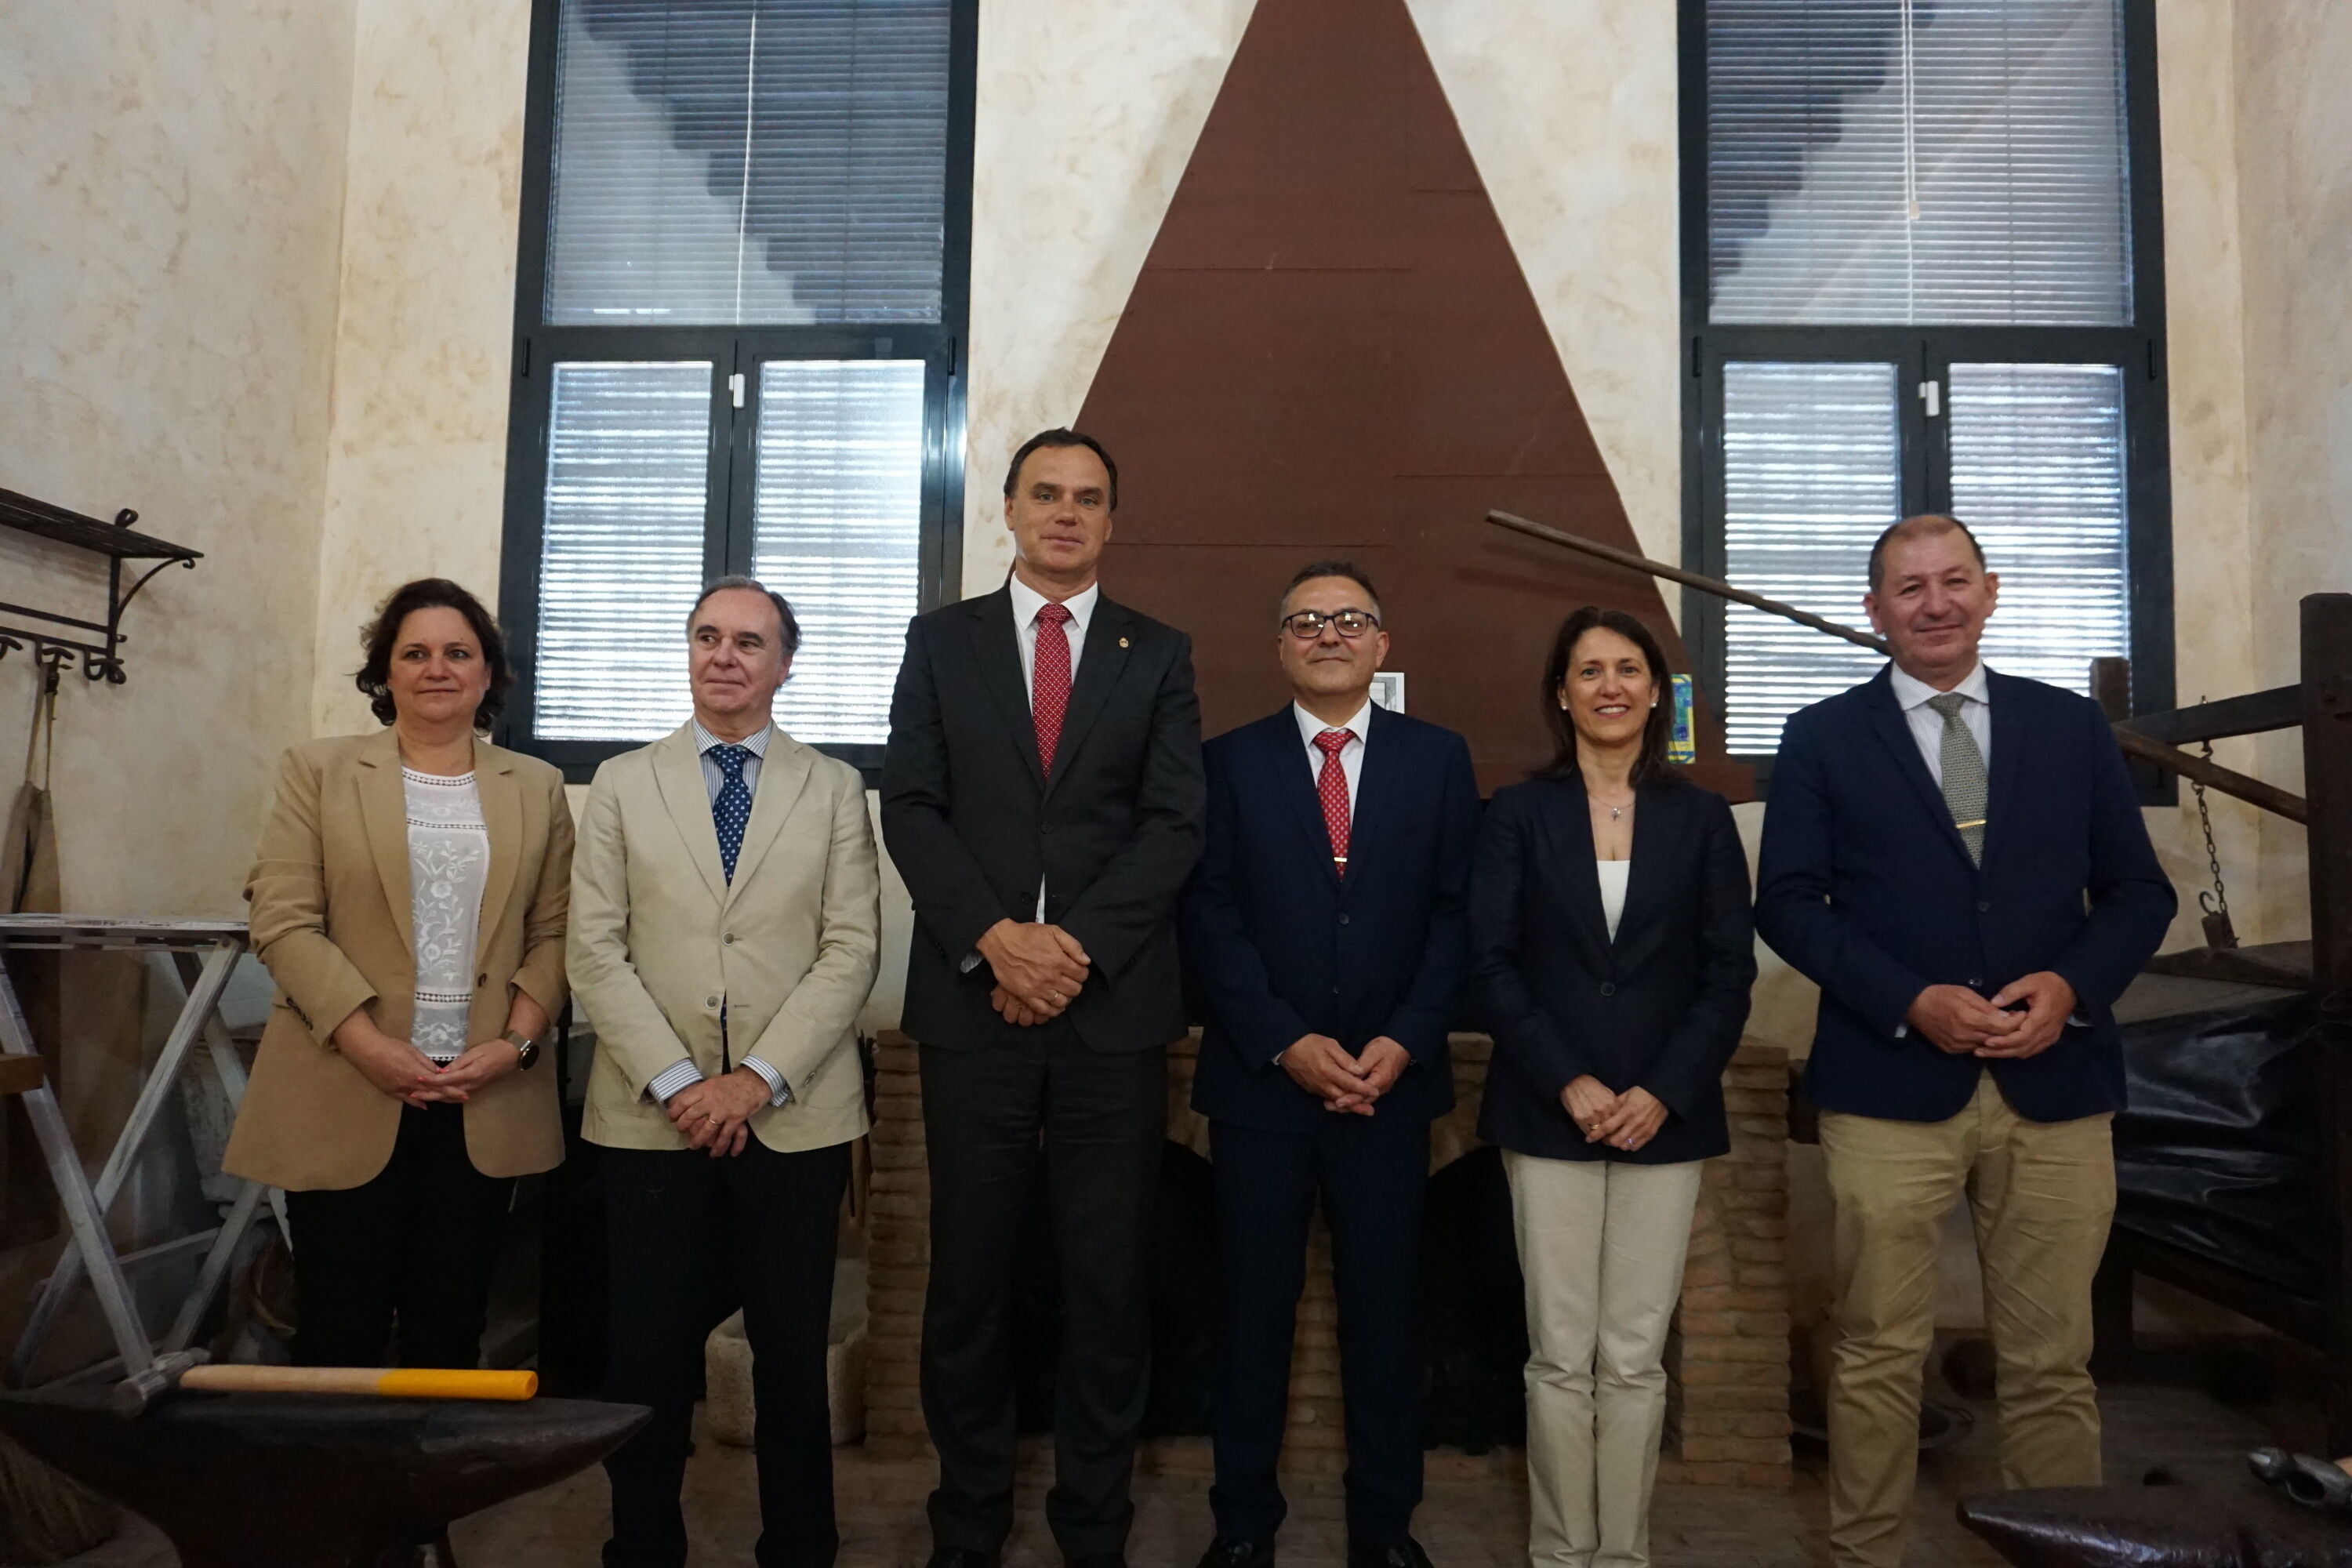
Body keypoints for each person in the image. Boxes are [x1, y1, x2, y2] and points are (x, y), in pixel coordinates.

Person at [1755, 515, 2176, 1568]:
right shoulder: (1821, 736)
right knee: (1876, 1351)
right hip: (1889, 1081)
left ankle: (2061, 1549)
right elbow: (1790, 904)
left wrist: (2071, 987)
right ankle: (1866, 1557)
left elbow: (2139, 892)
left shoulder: (2071, 727)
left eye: (1954, 581)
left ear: (1991, 592)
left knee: (2051, 1361)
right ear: (1875, 611)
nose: (1935, 604)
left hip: (2056, 1081)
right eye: (1910, 588)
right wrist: (1910, 999)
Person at [880, 428, 1206, 1568]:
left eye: (1089, 497)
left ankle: (1093, 1524)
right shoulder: (941, 642)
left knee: (1107, 1282)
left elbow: (1176, 823)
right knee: (968, 1279)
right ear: (1010, 510)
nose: (1067, 513)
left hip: (1110, 1012)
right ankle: (968, 1519)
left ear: (1113, 520)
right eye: (1046, 493)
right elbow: (911, 805)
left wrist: (1068, 952)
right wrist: (995, 942)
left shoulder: (1157, 653)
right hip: (972, 1009)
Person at [569, 576, 882, 1568]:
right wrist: (679, 1081)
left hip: (795, 1113)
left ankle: (800, 1545)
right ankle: (642, 1545)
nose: (724, 655)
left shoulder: (833, 787)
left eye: (750, 641)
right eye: (707, 635)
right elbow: (594, 949)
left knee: (790, 1357)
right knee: (646, 1356)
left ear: (785, 664)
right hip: (649, 1116)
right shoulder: (623, 781)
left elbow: (850, 949)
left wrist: (752, 1080)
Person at [1181, 562, 1480, 1568]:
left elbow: (1457, 913)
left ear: (1381, 642)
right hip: (1263, 1086)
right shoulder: (1229, 762)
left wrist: (1408, 1035)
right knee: (1251, 1315)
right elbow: (1210, 915)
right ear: (1280, 646)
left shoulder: (1438, 759)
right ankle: (1242, 1526)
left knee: (1386, 1318)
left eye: (1350, 619)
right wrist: (1285, 1039)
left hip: (1392, 1087)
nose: (1328, 634)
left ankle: (1384, 1529)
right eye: (1306, 621)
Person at [225, 577, 572, 1370]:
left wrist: (516, 1045)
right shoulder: (317, 770)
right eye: (414, 653)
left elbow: (555, 932)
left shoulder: (538, 785)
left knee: (449, 1333)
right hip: (345, 1082)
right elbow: (283, 918)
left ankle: (430, 1460)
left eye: (458, 652)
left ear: (489, 673)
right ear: (384, 672)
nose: (437, 668)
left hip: (482, 1094)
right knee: (337, 1330)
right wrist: (367, 1044)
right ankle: (340, 1461)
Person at [1472, 606, 1755, 1568]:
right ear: (1562, 692)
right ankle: (1561, 1551)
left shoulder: (1703, 817)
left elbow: (1728, 973)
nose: (1609, 686)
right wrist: (1570, 1079)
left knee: (1634, 1357)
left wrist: (1663, 1089)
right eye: (1589, 670)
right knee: (1560, 1353)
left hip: (1665, 1117)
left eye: (1628, 668)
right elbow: (1492, 962)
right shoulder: (1516, 813)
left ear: (1656, 690)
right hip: (1547, 1108)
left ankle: (1623, 1554)